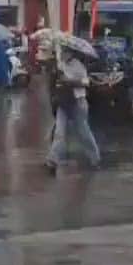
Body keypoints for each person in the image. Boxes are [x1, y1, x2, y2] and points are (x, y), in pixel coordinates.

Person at [45, 46, 100, 175]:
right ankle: (53, 160)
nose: (63, 54)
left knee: (83, 132)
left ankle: (95, 158)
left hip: (77, 102)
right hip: (63, 102)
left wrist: (70, 81)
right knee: (59, 132)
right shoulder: (60, 65)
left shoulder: (78, 65)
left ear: (71, 53)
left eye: (65, 52)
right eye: (62, 51)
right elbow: (54, 83)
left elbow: (86, 82)